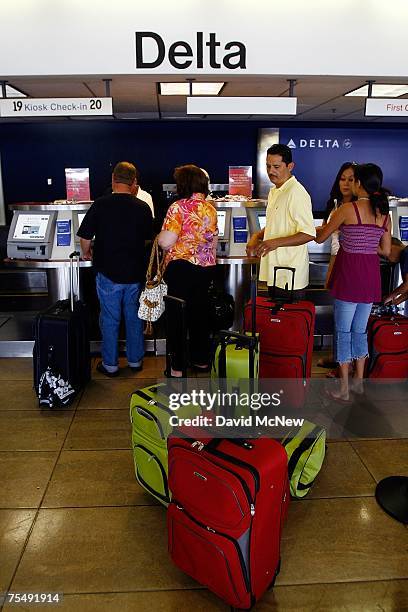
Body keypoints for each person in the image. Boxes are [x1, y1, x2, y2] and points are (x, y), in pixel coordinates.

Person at [315, 163, 391, 401]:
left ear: (359, 183)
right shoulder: (384, 214)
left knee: (343, 332)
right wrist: (367, 244)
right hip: (370, 277)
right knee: (360, 331)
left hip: (349, 275)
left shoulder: (348, 209)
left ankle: (344, 389)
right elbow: (386, 250)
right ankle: (358, 383)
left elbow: (320, 238)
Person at [78, 161, 153, 377]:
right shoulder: (142, 207)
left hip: (108, 272)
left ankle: (110, 364)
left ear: (113, 179)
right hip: (135, 273)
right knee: (134, 317)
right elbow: (149, 239)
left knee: (110, 318)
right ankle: (136, 361)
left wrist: (87, 252)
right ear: (134, 182)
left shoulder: (101, 204)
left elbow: (85, 236)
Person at [158, 164, 217, 377]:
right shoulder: (210, 207)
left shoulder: (178, 207)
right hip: (205, 269)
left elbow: (167, 241)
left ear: (183, 183)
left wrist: (159, 236)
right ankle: (201, 361)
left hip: (181, 269)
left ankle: (177, 368)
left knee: (177, 318)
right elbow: (213, 241)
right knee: (199, 314)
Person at [246, 143, 316, 300]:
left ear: (290, 166)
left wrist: (274, 243)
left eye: (276, 166)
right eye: (268, 166)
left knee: (287, 322)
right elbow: (276, 225)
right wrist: (257, 236)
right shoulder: (276, 191)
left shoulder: (296, 193)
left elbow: (308, 233)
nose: (271, 171)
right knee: (274, 321)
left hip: (289, 275)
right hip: (274, 271)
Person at [318, 162, 356, 370]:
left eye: (351, 179)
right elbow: (330, 238)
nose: (346, 183)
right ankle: (340, 359)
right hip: (337, 258)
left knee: (349, 320)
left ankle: (345, 365)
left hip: (350, 263)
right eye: (343, 179)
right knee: (340, 314)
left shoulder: (358, 208)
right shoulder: (335, 205)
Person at [384, 237, 408, 310]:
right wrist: (395, 302)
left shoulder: (406, 253)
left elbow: (406, 285)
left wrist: (389, 297)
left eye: (385, 255)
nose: (387, 258)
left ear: (391, 247)